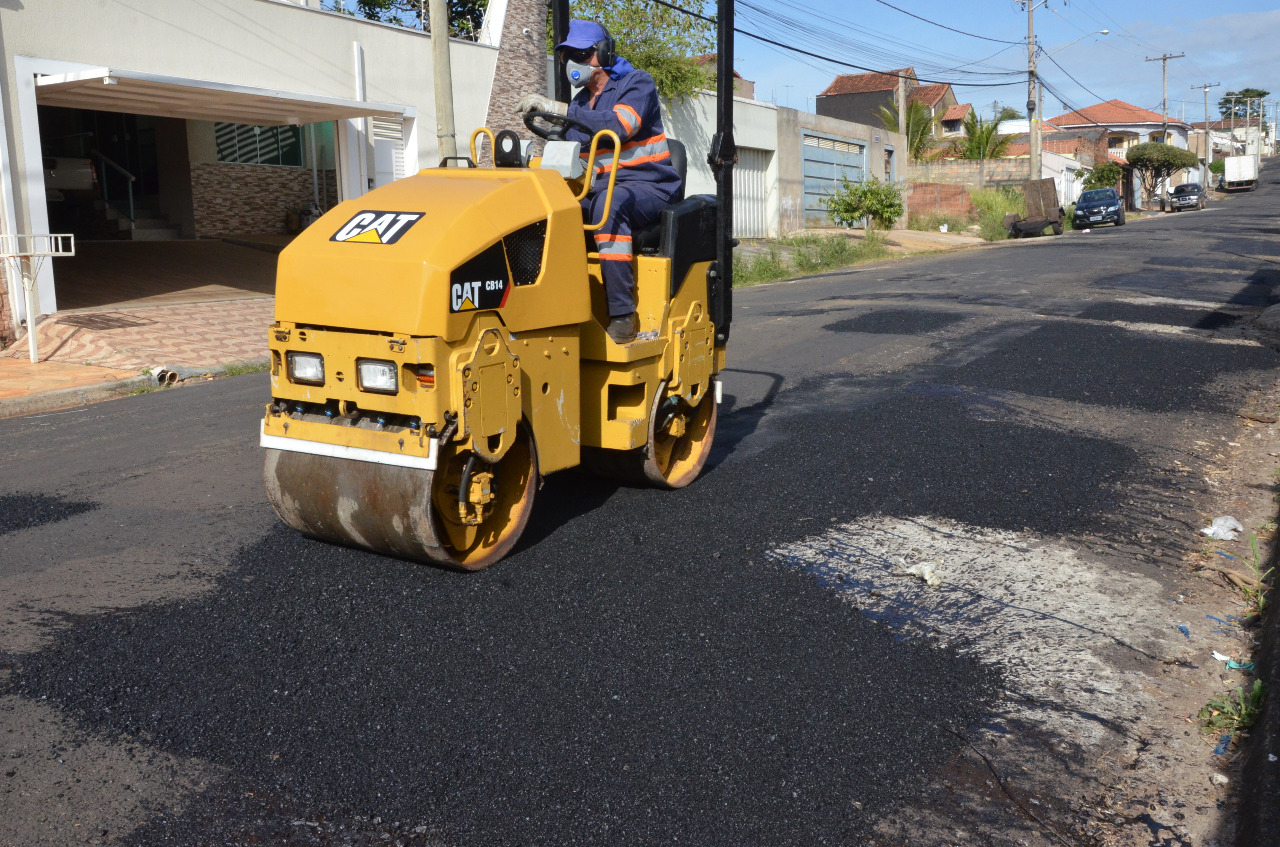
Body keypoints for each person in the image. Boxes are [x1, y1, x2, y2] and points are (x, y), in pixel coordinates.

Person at [515, 20, 682, 344]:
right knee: (547, 208)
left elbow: (620, 125)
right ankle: (550, 307)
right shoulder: (580, 103)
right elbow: (576, 155)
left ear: (603, 53)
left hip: (649, 186)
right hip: (602, 186)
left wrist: (558, 109)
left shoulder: (637, 84)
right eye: (568, 55)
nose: (574, 62)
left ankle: (622, 315)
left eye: (581, 54)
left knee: (609, 205)